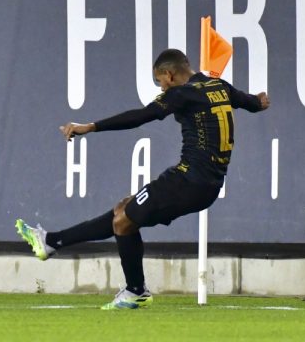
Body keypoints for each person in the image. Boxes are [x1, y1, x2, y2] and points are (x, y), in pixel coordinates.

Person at [16, 48, 269, 309]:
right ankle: (51, 241)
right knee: (123, 209)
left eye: (160, 81)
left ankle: (136, 290)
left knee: (124, 221)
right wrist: (260, 100)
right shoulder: (219, 86)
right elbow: (253, 103)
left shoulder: (181, 93)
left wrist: (92, 126)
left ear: (169, 75)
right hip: (204, 184)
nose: (161, 88)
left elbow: (140, 117)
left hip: (189, 181)